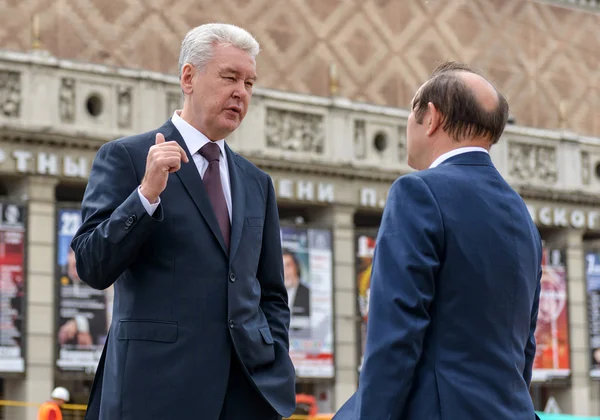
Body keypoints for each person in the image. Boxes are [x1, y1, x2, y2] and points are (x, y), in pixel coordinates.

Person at [71, 23, 295, 420]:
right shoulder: (126, 156)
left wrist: (273, 355)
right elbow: (91, 265)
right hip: (155, 392)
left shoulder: (257, 182)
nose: (241, 92)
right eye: (229, 77)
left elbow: (271, 292)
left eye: (249, 82)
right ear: (189, 77)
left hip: (246, 395)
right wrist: (145, 196)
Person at [333, 61, 542, 420]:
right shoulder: (521, 214)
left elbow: (395, 338)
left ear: (432, 118)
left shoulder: (418, 192)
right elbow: (524, 347)